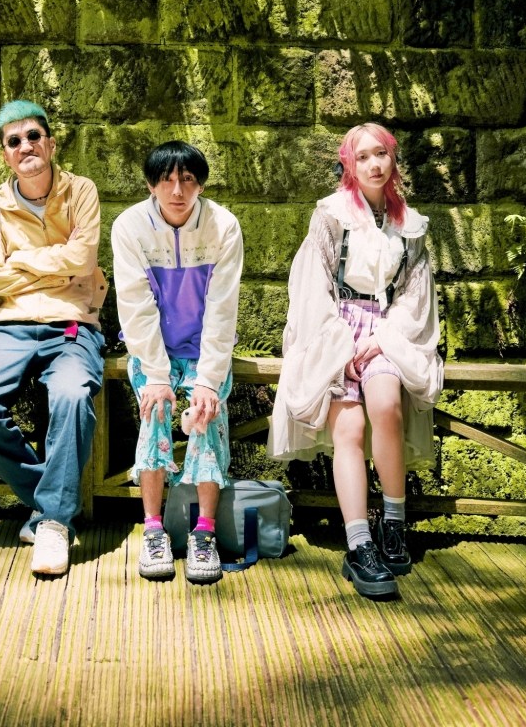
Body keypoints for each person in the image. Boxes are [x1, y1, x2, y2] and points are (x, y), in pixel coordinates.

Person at [268, 123, 442, 599]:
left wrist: (384, 338)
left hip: (386, 333)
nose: (373, 164)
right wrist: (337, 348)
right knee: (349, 426)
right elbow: (313, 285)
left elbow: (414, 295)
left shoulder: (410, 225)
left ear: (393, 158)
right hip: (336, 330)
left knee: (386, 404)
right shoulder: (331, 215)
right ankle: (359, 542)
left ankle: (393, 523)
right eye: (362, 157)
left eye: (380, 153)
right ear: (349, 165)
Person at [0, 100, 108, 577]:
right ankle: (51, 497)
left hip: (72, 323)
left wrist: (19, 261)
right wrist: (55, 264)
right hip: (10, 324)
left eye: (33, 137)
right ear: (5, 154)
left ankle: (54, 524)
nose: (26, 146)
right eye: (14, 141)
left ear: (51, 143)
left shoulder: (81, 191)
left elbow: (83, 260)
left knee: (71, 395)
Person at [111, 141, 243, 584]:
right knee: (155, 412)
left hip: (205, 350)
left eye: (187, 180)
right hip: (153, 352)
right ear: (150, 185)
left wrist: (208, 380)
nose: (177, 190)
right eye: (166, 180)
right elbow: (135, 305)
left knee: (207, 416)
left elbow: (222, 308)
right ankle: (153, 530)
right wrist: (155, 374)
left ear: (201, 184)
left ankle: (204, 532)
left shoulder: (223, 225)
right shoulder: (130, 226)